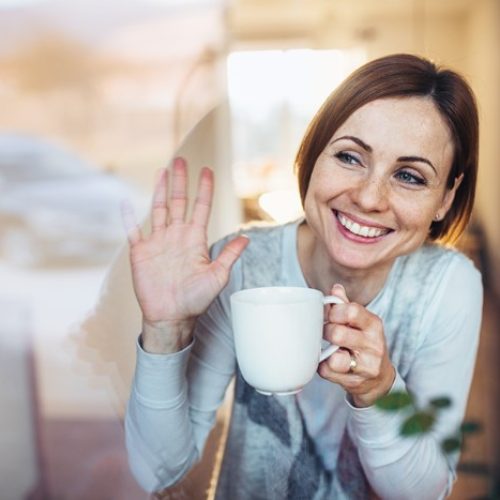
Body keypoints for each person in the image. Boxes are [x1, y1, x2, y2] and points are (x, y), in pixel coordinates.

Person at [123, 53, 482, 499]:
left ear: (446, 198)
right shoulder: (239, 266)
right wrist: (165, 332)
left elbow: (425, 492)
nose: (370, 198)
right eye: (350, 157)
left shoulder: (448, 287)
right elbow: (160, 472)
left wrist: (379, 390)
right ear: (313, 157)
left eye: (409, 175)